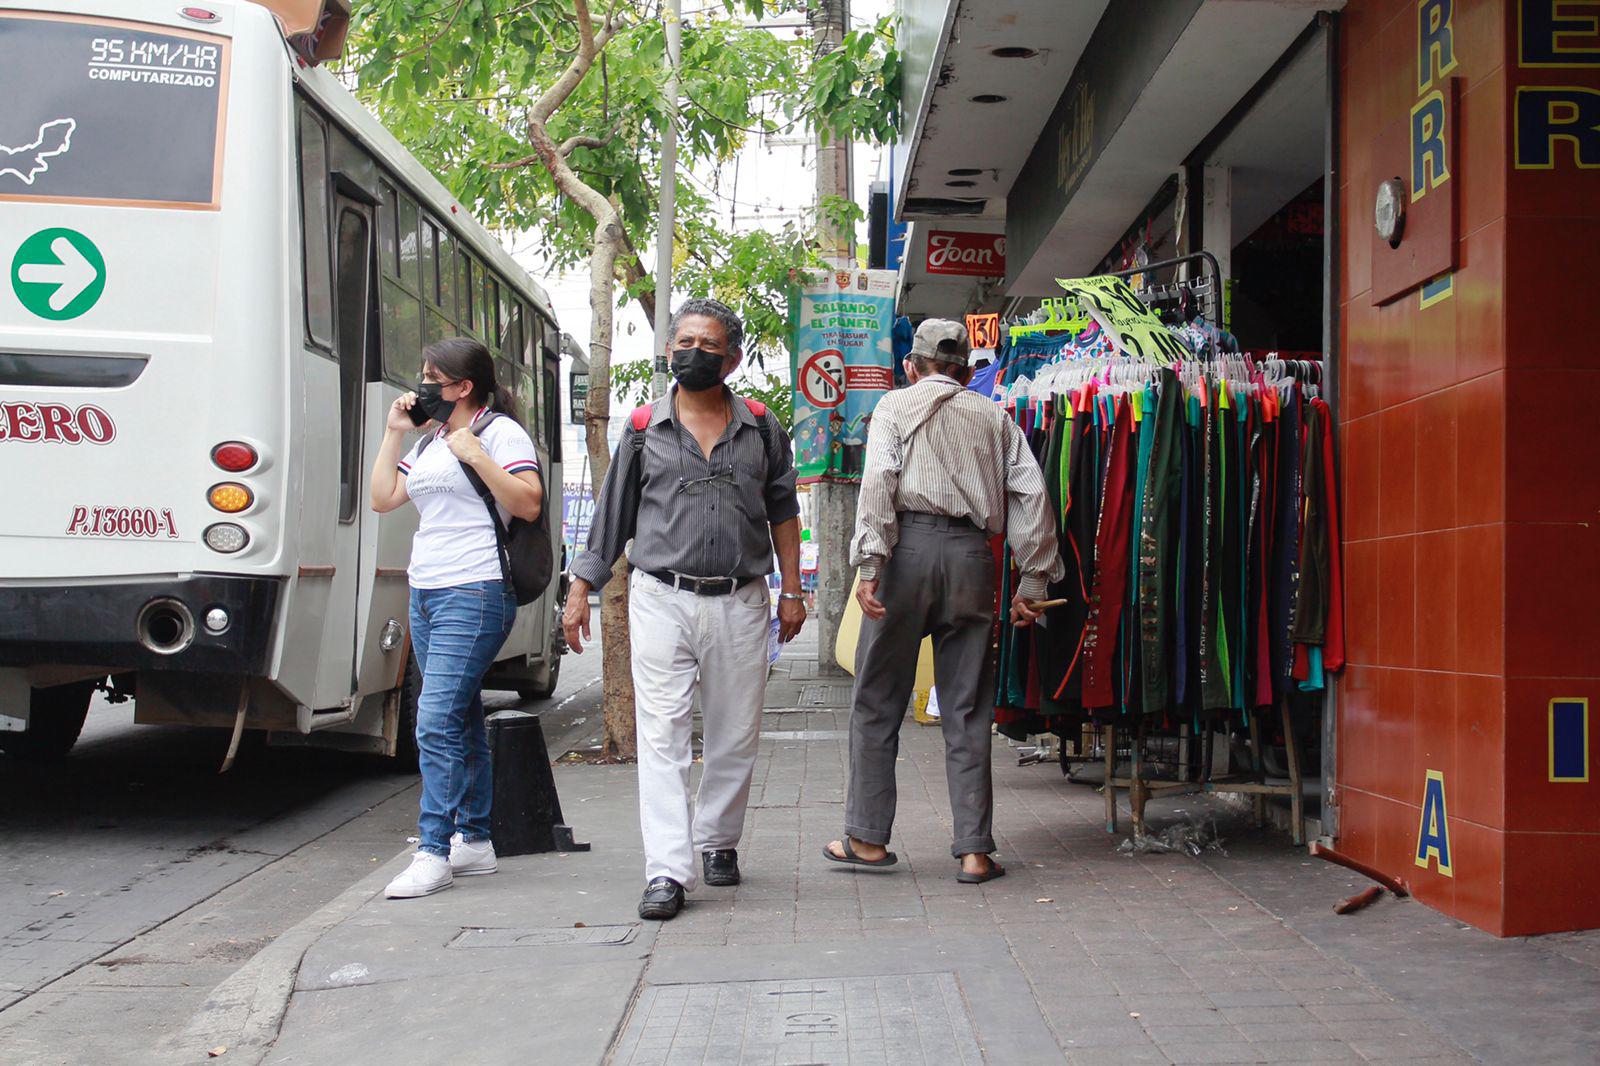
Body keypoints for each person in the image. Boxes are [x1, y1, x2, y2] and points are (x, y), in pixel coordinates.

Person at [564, 298, 805, 921]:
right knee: (663, 733)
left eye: (708, 343)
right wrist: (581, 588)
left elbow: (783, 510)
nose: (692, 352)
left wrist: (793, 591)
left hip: (741, 599)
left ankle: (718, 841)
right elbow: (612, 516)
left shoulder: (761, 426)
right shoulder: (644, 427)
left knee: (734, 731)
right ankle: (668, 870)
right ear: (669, 351)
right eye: (683, 341)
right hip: (660, 598)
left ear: (733, 358)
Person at [825, 319, 1063, 883]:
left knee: (878, 700)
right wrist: (1033, 582)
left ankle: (866, 841)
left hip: (905, 555)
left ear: (912, 366)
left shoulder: (894, 408)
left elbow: (880, 479)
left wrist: (869, 564)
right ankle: (975, 852)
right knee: (966, 707)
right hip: (971, 560)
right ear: (966, 370)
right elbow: (1032, 493)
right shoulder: (996, 415)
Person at [369, 337, 544, 899]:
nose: (421, 388)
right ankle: (475, 839)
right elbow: (383, 498)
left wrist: (477, 454)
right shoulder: (430, 440)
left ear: (462, 387)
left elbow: (528, 502)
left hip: (476, 588)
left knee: (434, 717)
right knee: (460, 715)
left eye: (431, 379)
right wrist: (395, 430)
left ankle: (433, 850)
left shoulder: (498, 434)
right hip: (426, 588)